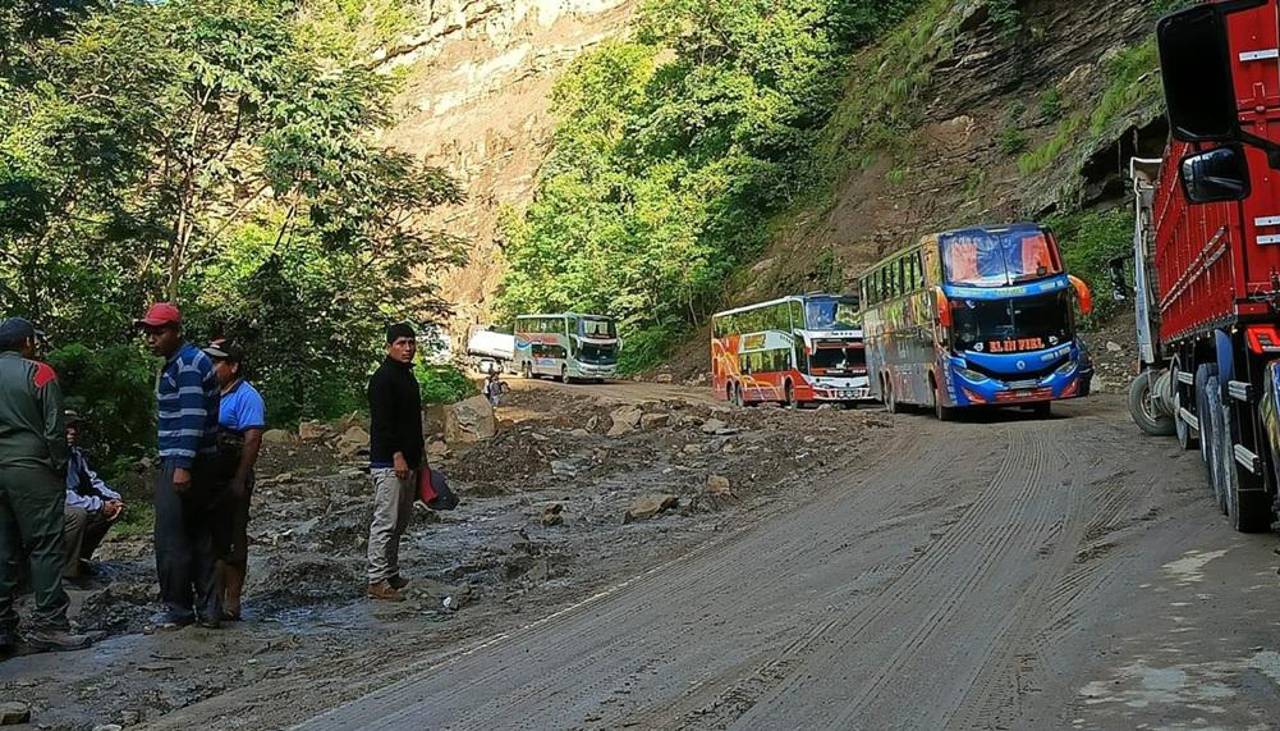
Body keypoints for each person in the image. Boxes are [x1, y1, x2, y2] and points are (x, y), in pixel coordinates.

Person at [0, 317, 93, 652]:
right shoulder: (39, 372)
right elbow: (55, 428)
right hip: (31, 467)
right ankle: (50, 624)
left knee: (4, 548)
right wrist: (58, 464)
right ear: (27, 342)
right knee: (45, 545)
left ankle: (3, 630)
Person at [136, 303, 222, 629]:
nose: (151, 339)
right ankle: (209, 609)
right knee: (200, 535)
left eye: (159, 332)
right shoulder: (186, 362)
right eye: (149, 332)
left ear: (176, 331)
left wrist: (182, 464)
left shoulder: (186, 364)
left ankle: (178, 609)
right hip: (200, 459)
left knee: (172, 538)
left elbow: (192, 416)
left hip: (185, 459)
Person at [204, 339, 264, 621]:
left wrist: (240, 478)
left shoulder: (247, 396)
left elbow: (252, 439)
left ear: (233, 366)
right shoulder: (209, 392)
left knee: (233, 539)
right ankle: (212, 599)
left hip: (232, 474)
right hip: (209, 476)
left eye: (217, 362)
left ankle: (233, 601)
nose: (212, 367)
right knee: (210, 539)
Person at [366, 322, 424, 601]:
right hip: (389, 463)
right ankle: (376, 580)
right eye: (401, 343)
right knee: (386, 521)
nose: (408, 348)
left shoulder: (407, 376)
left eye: (411, 343)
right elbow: (383, 423)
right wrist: (397, 456)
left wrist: (420, 460)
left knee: (399, 523)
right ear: (389, 346)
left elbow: (413, 422)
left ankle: (390, 572)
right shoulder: (383, 379)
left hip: (409, 461)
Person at [62, 411, 125, 581]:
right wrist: (99, 504)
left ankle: (80, 558)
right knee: (78, 515)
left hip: (72, 501)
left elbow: (92, 480)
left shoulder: (76, 455)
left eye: (75, 427)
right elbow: (60, 495)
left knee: (112, 511)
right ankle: (65, 572)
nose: (73, 432)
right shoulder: (48, 455)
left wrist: (114, 499)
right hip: (50, 507)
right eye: (67, 428)